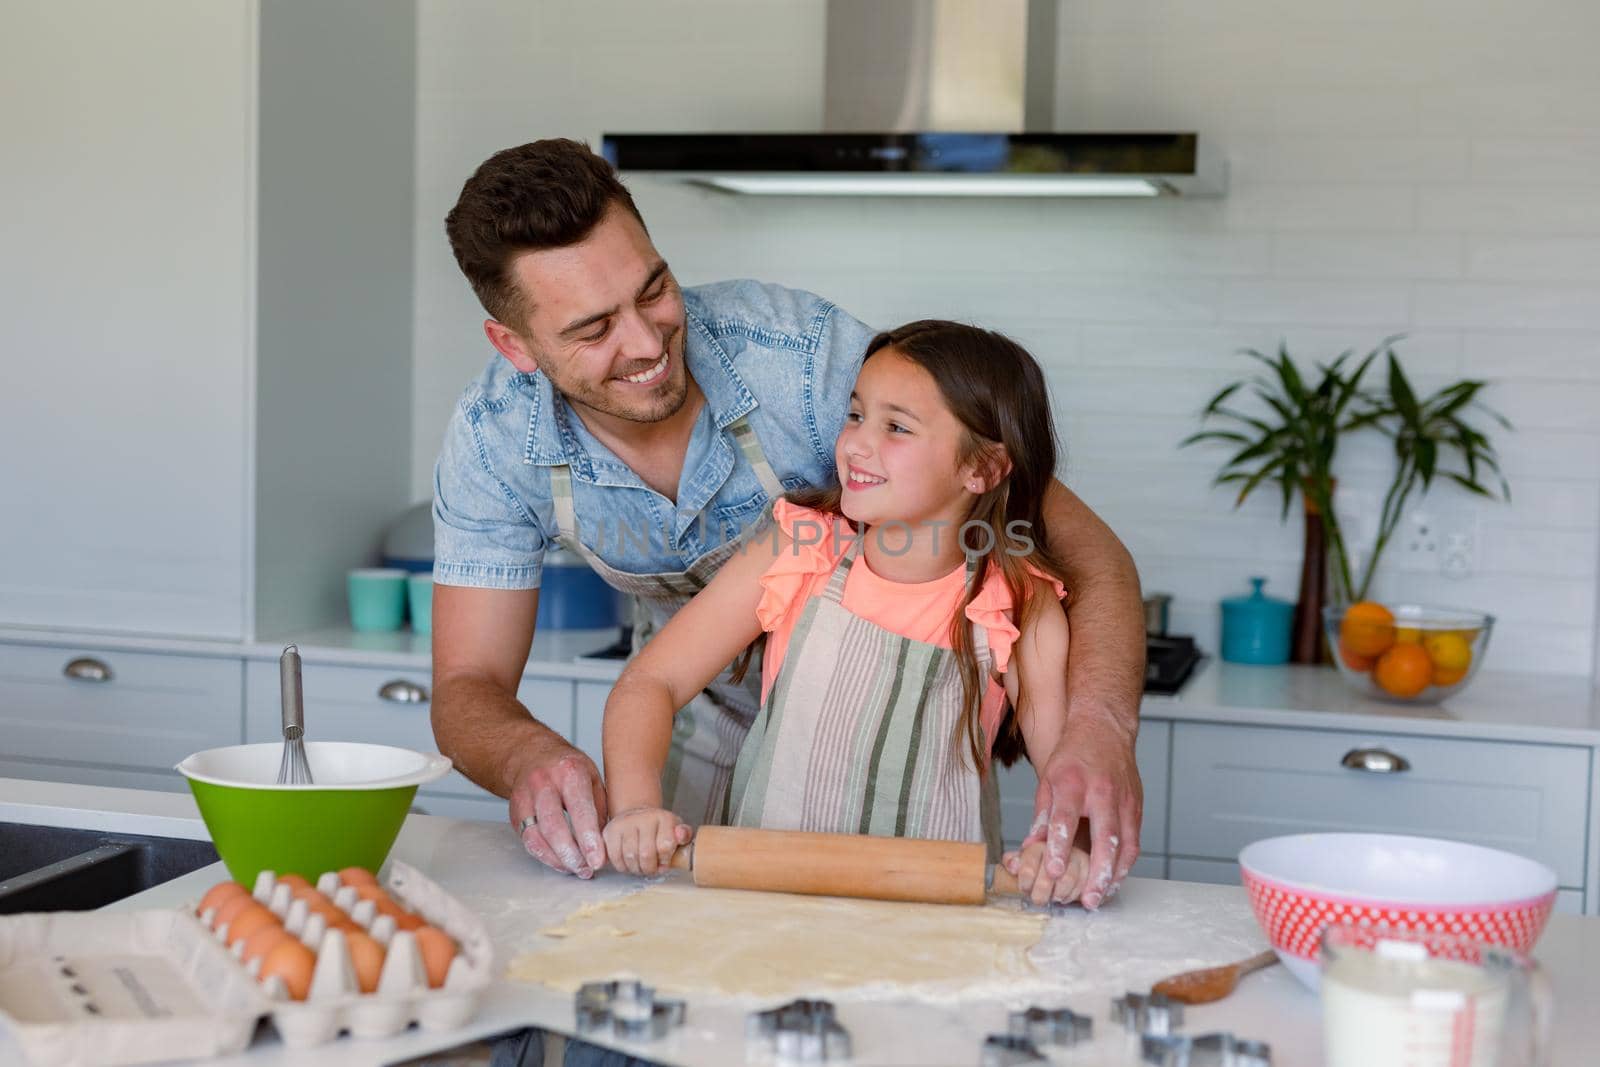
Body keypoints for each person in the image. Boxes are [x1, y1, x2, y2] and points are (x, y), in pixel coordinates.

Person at [430, 138, 1146, 908]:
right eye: (593, 329)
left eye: (654, 290)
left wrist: (1096, 727)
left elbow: (1089, 555)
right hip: (699, 712)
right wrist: (528, 755)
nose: (645, 343)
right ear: (515, 345)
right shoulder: (493, 440)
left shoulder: (801, 358)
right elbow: (471, 684)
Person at [602, 321, 1092, 904]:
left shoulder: (1015, 604)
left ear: (982, 469)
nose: (856, 444)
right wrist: (634, 806)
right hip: (766, 899)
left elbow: (1072, 766)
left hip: (931, 918)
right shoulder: (799, 548)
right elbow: (649, 682)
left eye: (896, 428)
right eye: (856, 415)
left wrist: (1063, 850)